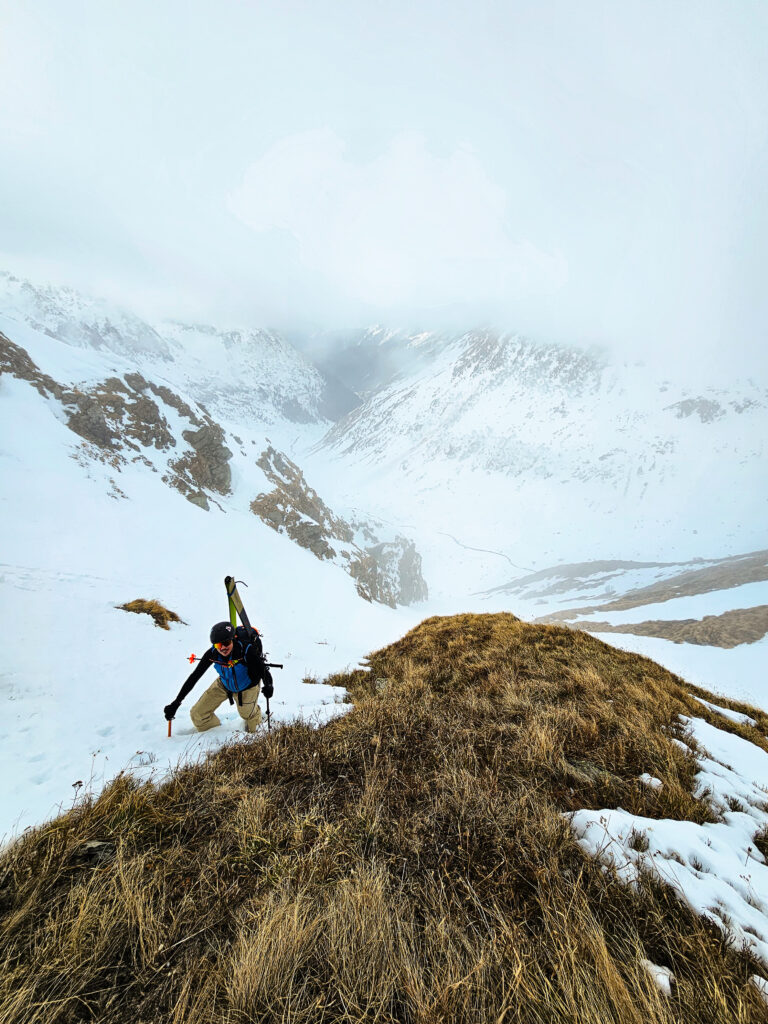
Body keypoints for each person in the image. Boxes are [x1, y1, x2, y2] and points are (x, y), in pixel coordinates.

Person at [164, 621, 273, 732]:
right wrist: (176, 702)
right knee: (198, 714)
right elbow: (194, 677)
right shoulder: (212, 654)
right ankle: (218, 738)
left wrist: (269, 685)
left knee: (247, 715)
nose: (222, 648)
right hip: (224, 683)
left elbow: (262, 670)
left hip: (247, 686)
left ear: (233, 639)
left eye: (226, 643)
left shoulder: (245, 650)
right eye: (218, 645)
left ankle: (256, 715)